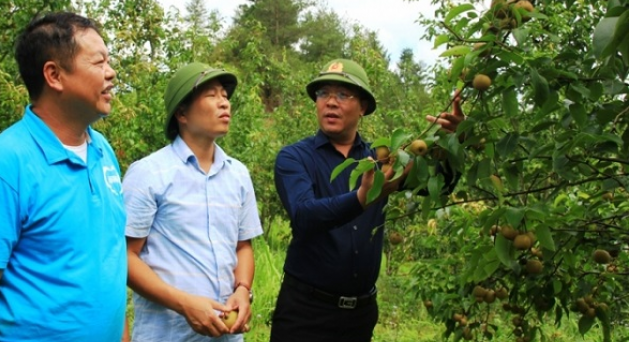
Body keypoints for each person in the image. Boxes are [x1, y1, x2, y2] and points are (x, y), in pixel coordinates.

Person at [0, 12, 128, 342]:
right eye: (99, 62)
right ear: (54, 75)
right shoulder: (3, 167)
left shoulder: (102, 151)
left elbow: (111, 265)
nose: (111, 73)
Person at [269, 58, 464, 342]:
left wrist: (452, 143)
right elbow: (304, 216)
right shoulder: (294, 157)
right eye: (323, 93)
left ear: (363, 107)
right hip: (305, 312)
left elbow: (439, 187)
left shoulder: (383, 159)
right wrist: (363, 197)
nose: (330, 102)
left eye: (343, 94)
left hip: (360, 315)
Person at [123, 62, 263, 341]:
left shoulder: (237, 174)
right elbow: (125, 257)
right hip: (167, 334)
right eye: (212, 95)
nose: (224, 102)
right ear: (182, 113)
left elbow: (243, 246)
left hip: (227, 335)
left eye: (225, 95)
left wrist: (242, 290)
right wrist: (184, 303)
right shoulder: (149, 173)